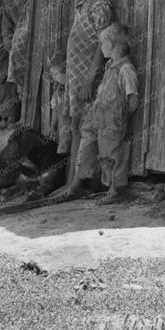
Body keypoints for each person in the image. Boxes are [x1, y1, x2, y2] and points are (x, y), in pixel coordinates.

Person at [64, 23, 138, 203]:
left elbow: (132, 98)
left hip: (112, 119)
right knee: (87, 143)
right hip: (98, 115)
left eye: (102, 44)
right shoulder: (110, 66)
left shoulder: (126, 70)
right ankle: (79, 179)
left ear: (111, 46)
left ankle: (114, 190)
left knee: (111, 154)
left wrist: (121, 116)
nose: (101, 48)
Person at [61, 0, 116, 181]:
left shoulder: (101, 7)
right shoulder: (82, 6)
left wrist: (89, 80)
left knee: (85, 128)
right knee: (75, 125)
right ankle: (72, 179)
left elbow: (102, 46)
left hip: (88, 78)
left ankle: (80, 180)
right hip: (75, 77)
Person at [0, 0, 31, 126]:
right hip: (15, 50)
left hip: (28, 49)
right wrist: (10, 46)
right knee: (19, 86)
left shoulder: (29, 0)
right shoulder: (8, 1)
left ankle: (27, 119)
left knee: (29, 83)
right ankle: (21, 118)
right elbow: (6, 28)